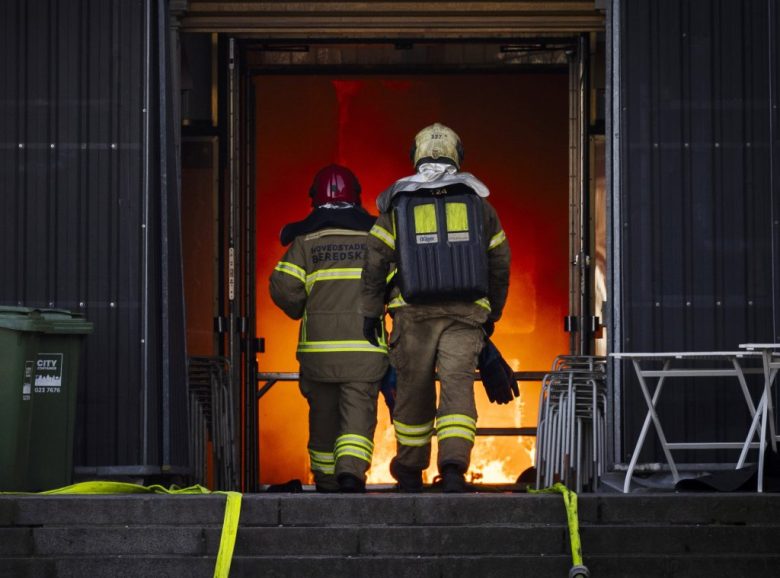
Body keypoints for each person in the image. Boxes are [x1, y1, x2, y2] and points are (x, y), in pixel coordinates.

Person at [360, 123, 511, 493]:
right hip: (464, 315)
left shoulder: (398, 204)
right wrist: (492, 313)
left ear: (417, 155)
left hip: (413, 315)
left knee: (414, 390)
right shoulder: (479, 204)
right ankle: (455, 467)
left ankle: (410, 470)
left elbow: (375, 260)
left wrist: (369, 310)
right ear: (457, 155)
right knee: (458, 389)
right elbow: (499, 261)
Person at [269, 164, 388, 493]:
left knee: (322, 419)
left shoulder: (305, 242)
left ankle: (325, 482)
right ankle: (350, 474)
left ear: (314, 199)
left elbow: (283, 288)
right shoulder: (375, 240)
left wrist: (301, 309)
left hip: (319, 355)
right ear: (357, 197)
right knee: (357, 416)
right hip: (364, 352)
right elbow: (398, 286)